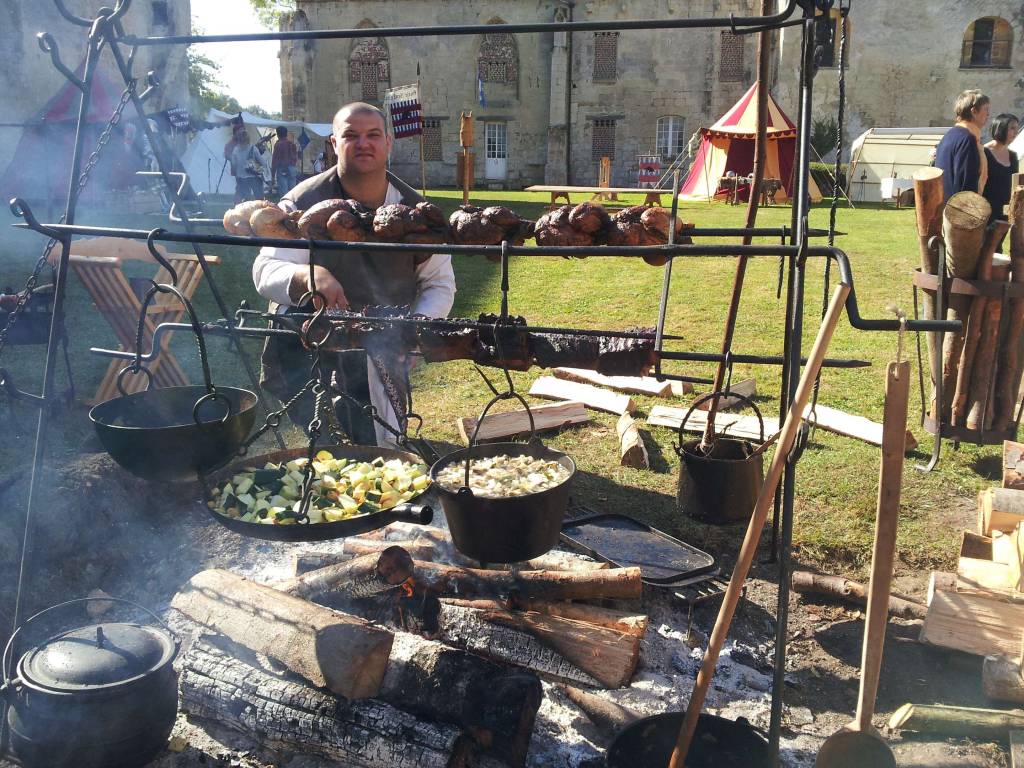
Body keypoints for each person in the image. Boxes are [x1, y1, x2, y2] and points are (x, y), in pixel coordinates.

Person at [252, 102, 456, 447]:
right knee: (322, 441)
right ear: (333, 143)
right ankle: (322, 434)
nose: (364, 143)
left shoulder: (414, 211)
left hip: (384, 333)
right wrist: (309, 276)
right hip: (312, 334)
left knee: (382, 442)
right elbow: (265, 268)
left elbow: (439, 283)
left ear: (388, 142)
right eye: (351, 135)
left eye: (373, 135)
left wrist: (415, 330)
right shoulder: (303, 203)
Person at [934, 89, 990, 201]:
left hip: (946, 207)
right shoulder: (967, 139)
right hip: (960, 211)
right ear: (974, 112)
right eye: (986, 109)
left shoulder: (949, 136)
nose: (988, 114)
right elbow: (965, 183)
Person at [982, 113, 1020, 228]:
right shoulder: (984, 153)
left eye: (1017, 129)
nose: (1016, 132)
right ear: (1001, 128)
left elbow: (1015, 184)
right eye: (1012, 128)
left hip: (1005, 212)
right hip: (986, 212)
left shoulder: (1013, 156)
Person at [229, 130, 263, 203]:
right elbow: (262, 162)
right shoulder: (253, 148)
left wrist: (237, 174)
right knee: (259, 199)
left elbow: (234, 165)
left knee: (245, 200)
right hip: (254, 177)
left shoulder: (235, 150)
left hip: (241, 178)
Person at [271, 126, 299, 196]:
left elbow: (275, 161)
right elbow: (296, 158)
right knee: (293, 192)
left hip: (282, 170)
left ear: (278, 134)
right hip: (292, 169)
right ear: (286, 134)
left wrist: (272, 175)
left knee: (284, 193)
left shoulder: (278, 145)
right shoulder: (292, 144)